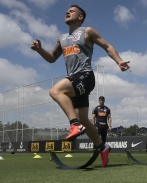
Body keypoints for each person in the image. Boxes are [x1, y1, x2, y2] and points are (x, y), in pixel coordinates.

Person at [31, 4, 130, 167]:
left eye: (72, 11)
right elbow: (51, 58)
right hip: (74, 80)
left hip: (85, 76)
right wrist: (40, 49)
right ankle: (103, 147)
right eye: (67, 11)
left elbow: (107, 46)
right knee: (84, 118)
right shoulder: (61, 38)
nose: (67, 12)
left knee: (55, 91)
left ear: (80, 17)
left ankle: (73, 124)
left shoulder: (87, 32)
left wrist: (119, 61)